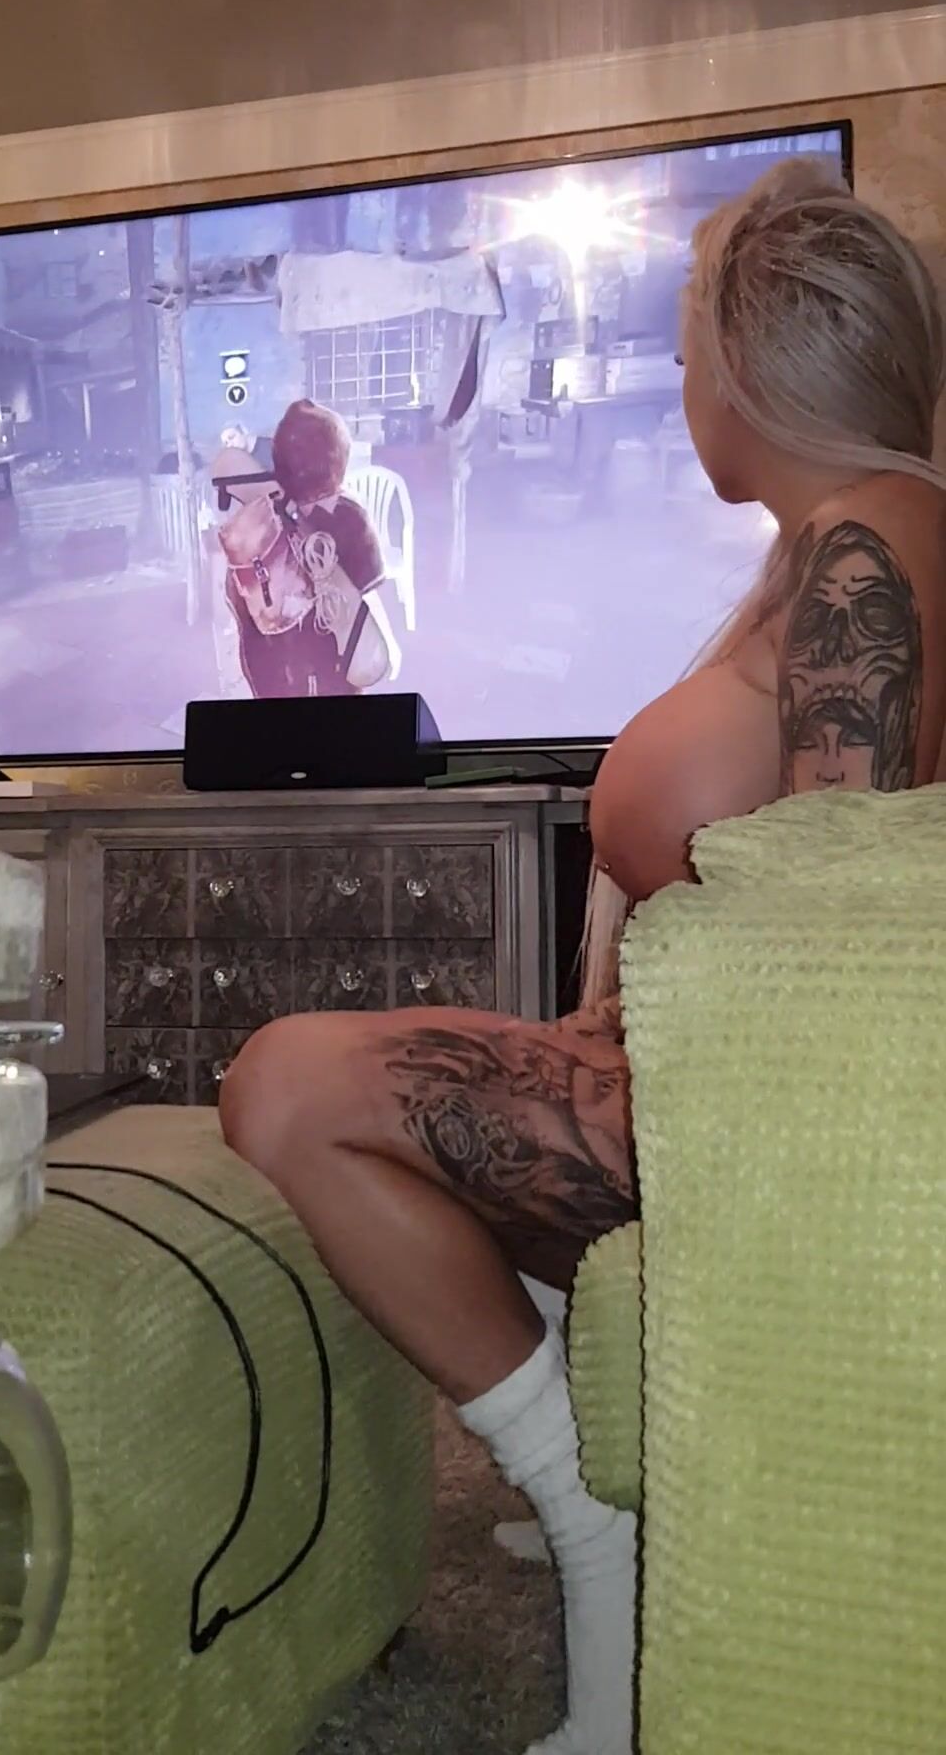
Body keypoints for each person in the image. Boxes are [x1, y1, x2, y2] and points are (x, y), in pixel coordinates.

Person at [219, 161, 946, 1755]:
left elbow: (843, 933)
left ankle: (585, 1500)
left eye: (686, 352)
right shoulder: (861, 541)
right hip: (697, 1103)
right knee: (342, 1068)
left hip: (736, 1141)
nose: (682, 387)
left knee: (282, 1087)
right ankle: (593, 1458)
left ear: (748, 365)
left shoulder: (864, 566)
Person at [216, 397, 400, 698]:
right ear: (338, 457)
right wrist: (387, 642)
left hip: (270, 680)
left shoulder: (258, 522)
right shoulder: (349, 517)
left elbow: (239, 608)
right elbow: (370, 598)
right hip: (332, 680)